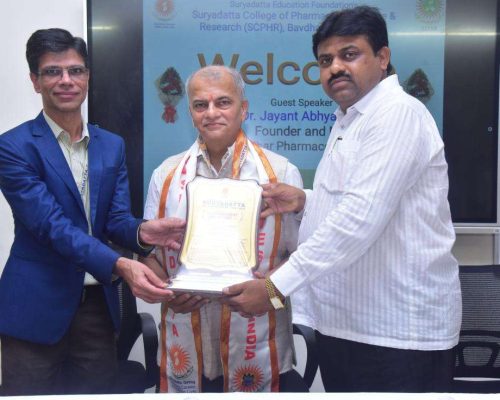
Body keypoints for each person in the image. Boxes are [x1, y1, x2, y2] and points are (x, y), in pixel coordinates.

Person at [222, 6, 462, 393]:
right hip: (352, 324)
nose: (335, 68)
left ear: (382, 58)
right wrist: (305, 201)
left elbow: (359, 218)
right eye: (325, 60)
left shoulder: (396, 114)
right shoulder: (350, 117)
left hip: (397, 334)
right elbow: (357, 203)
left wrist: (273, 287)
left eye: (349, 54)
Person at [0, 28, 185, 395]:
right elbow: (51, 227)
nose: (66, 80)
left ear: (87, 77)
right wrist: (121, 265)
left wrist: (143, 233)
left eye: (76, 70)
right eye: (53, 71)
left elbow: (115, 221)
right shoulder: (13, 147)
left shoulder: (110, 145)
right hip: (34, 306)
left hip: (96, 312)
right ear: (36, 81)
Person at [141, 65, 304, 393]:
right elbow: (152, 256)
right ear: (190, 112)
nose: (211, 113)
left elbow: (302, 257)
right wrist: (166, 289)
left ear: (243, 109)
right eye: (201, 105)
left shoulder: (280, 173)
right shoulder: (166, 175)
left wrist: (270, 291)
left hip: (258, 340)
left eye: (223, 103)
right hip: (186, 336)